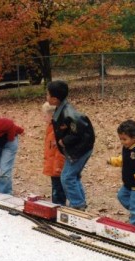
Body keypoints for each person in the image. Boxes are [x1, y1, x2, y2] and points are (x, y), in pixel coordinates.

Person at [47, 80, 95, 210]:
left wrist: (64, 141)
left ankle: (77, 205)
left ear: (55, 99)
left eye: (48, 95)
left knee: (67, 177)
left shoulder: (69, 113)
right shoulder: (61, 109)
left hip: (80, 149)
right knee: (73, 176)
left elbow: (81, 131)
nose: (46, 97)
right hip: (77, 149)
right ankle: (80, 203)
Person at [42, 102, 66, 205]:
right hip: (53, 165)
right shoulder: (50, 128)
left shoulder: (57, 130)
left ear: (52, 115)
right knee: (56, 188)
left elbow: (59, 152)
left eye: (45, 115)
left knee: (58, 191)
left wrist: (57, 168)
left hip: (57, 167)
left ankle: (59, 208)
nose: (43, 117)